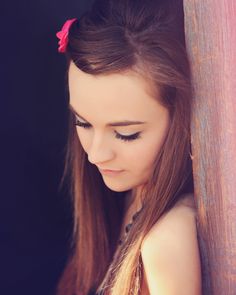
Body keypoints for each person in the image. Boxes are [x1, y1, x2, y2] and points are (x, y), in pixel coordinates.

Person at [55, 0, 202, 294]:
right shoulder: (131, 192)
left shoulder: (167, 240)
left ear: (180, 120)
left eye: (126, 134)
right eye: (83, 123)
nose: (95, 155)